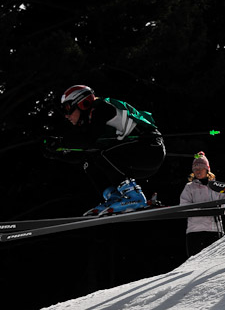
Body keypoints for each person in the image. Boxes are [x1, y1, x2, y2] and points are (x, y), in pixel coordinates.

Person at [46, 85, 166, 215]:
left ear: (82, 103)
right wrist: (56, 154)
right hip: (137, 160)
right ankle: (114, 196)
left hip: (151, 149)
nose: (66, 115)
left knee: (102, 155)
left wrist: (60, 142)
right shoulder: (91, 120)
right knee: (90, 162)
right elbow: (83, 154)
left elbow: (88, 140)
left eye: (68, 109)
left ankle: (134, 196)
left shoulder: (102, 108)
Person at [179, 152, 225, 257]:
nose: (197, 171)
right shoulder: (189, 187)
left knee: (215, 261)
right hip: (195, 231)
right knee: (195, 263)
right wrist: (201, 210)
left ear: (207, 169)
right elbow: (184, 206)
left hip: (214, 230)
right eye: (195, 169)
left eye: (200, 168)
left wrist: (218, 210)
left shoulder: (216, 186)